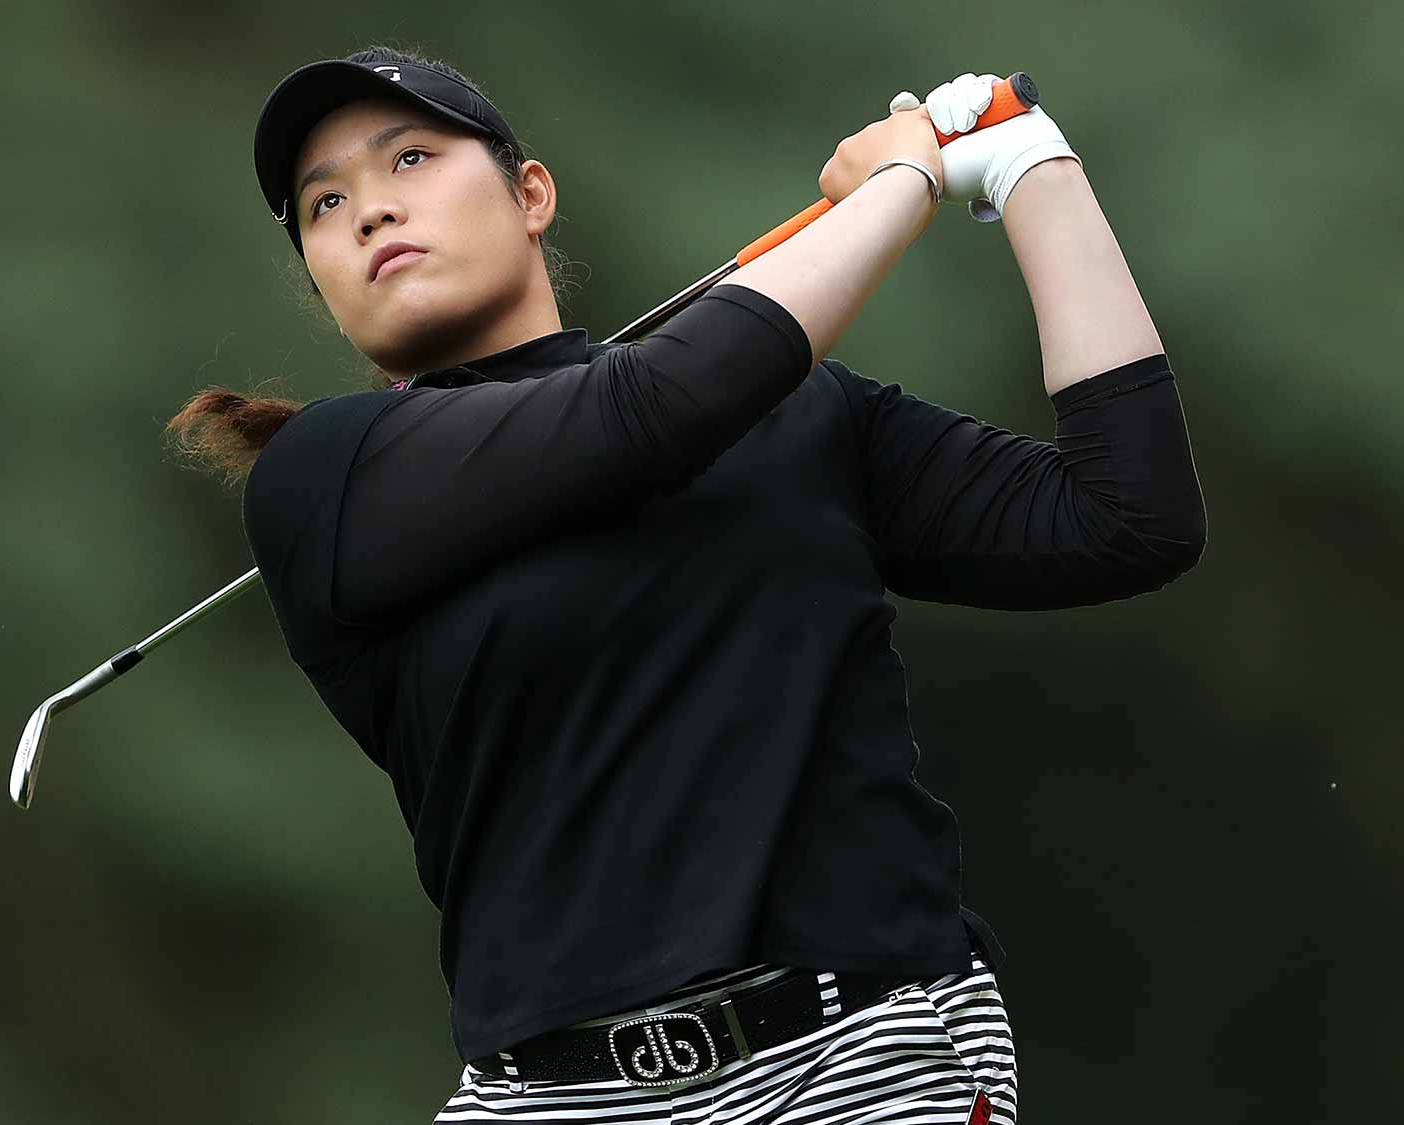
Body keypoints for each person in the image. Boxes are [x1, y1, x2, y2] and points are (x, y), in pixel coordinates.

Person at [167, 44, 1205, 1124]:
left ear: (530, 195)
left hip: (860, 1062)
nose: (370, 213)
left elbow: (1125, 521)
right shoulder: (328, 477)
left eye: (410, 159)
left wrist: (1031, 170)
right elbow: (646, 416)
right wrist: (904, 180)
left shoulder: (794, 409)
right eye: (324, 204)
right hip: (550, 1099)